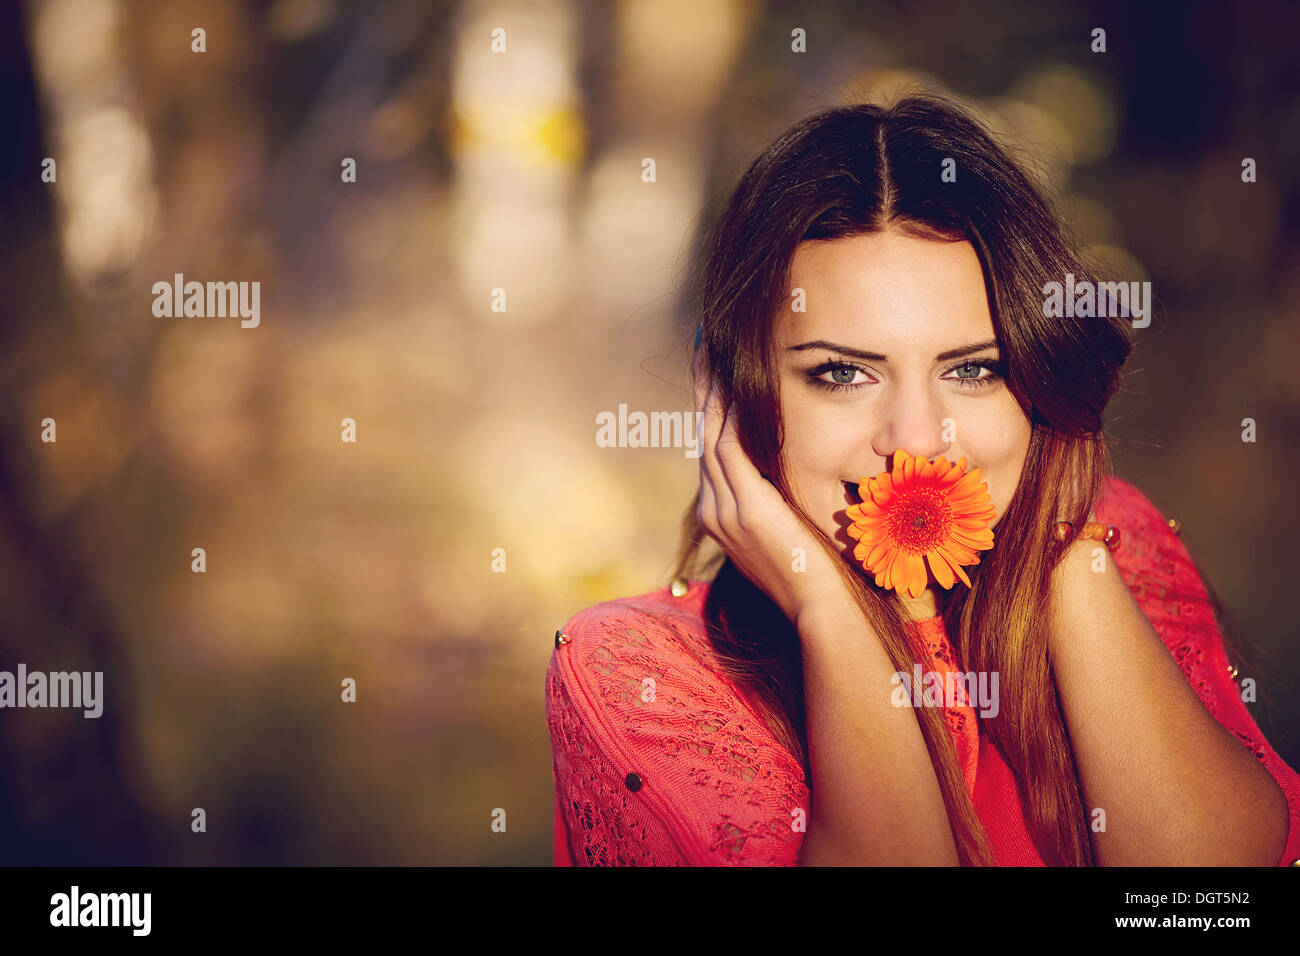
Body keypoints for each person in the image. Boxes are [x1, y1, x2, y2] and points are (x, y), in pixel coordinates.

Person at [545, 94, 1300, 866]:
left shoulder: (1113, 544)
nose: (915, 442)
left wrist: (1061, 551)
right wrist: (830, 616)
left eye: (974, 369)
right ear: (729, 394)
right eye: (841, 373)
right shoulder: (640, 672)